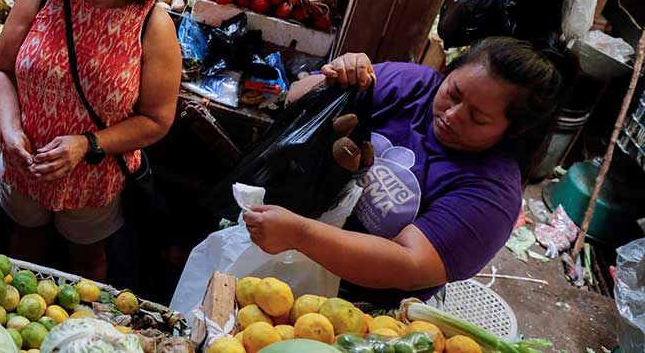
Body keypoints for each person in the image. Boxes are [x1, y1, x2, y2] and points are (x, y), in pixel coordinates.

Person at [242, 37, 567, 306]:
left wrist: (300, 235)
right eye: (453, 93)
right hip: (281, 246)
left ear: (512, 131)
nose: (452, 115)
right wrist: (333, 79)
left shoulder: (490, 194)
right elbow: (294, 99)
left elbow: (407, 262)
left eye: (478, 118)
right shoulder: (412, 86)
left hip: (359, 308)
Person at [0, 0, 183, 281]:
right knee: (24, 247)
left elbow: (157, 120)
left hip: (94, 179)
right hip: (25, 164)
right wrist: (10, 129)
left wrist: (87, 144)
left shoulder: (152, 25)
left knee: (87, 262)